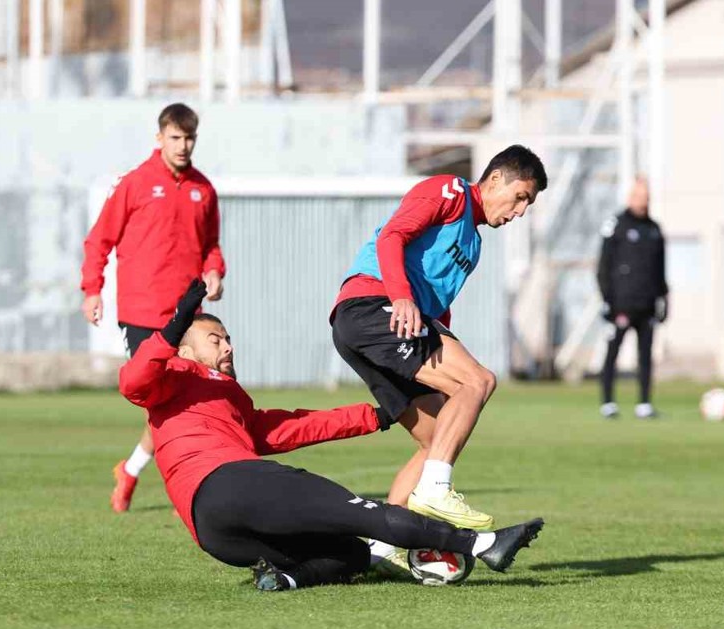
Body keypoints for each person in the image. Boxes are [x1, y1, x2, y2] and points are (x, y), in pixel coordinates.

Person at [120, 280, 546, 591]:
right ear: (187, 351)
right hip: (230, 481)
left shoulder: (230, 398)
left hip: (216, 534)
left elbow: (290, 427)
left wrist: (376, 415)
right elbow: (134, 382)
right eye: (215, 340)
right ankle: (482, 544)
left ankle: (285, 579)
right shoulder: (172, 374)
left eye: (229, 339)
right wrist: (174, 328)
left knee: (352, 554)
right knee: (364, 515)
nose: (228, 347)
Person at [330, 145, 547, 534]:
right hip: (373, 305)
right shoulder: (449, 191)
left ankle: (384, 543)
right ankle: (436, 489)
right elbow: (392, 236)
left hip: (389, 324)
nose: (519, 212)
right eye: (520, 198)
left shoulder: (473, 244)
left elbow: (436, 310)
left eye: (527, 205)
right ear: (495, 178)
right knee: (478, 380)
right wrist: (399, 296)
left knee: (438, 438)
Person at [81, 103, 225, 513]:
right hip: (143, 313)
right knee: (163, 401)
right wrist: (92, 290)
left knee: (195, 397)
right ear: (159, 138)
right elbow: (99, 241)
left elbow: (210, 245)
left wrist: (214, 271)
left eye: (189, 138)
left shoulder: (204, 189)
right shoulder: (135, 183)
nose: (183, 146)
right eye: (175, 137)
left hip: (190, 313)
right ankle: (147, 473)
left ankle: (134, 470)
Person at [596, 177, 669, 420]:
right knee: (613, 352)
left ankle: (644, 403)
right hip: (621, 304)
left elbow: (660, 269)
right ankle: (608, 402)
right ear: (630, 198)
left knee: (646, 356)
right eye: (639, 197)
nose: (643, 202)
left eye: (646, 198)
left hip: (647, 304)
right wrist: (607, 298)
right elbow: (603, 266)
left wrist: (664, 297)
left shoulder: (654, 229)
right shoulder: (616, 225)